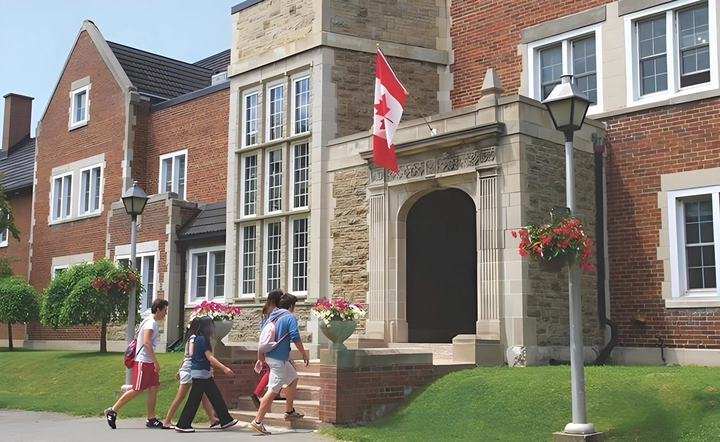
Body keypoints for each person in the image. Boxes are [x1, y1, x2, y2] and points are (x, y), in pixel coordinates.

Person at [250, 292, 309, 436]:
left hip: (275, 357)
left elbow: (262, 338)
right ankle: (257, 421)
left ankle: (289, 411)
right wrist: (303, 353)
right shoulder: (289, 317)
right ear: (291, 306)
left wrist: (261, 357)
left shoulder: (272, 317)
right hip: (277, 359)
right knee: (273, 389)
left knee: (293, 378)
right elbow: (295, 336)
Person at [105, 298, 169, 429]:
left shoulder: (148, 321)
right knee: (137, 389)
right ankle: (113, 410)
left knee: (154, 388)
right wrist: (155, 362)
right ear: (158, 309)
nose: (165, 313)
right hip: (143, 361)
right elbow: (146, 342)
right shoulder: (151, 323)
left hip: (148, 361)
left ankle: (151, 418)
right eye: (164, 310)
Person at [174, 317, 238, 433]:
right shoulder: (203, 340)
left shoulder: (197, 339)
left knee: (215, 396)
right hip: (202, 373)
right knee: (194, 401)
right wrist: (224, 368)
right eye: (211, 325)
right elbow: (210, 357)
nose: (213, 328)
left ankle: (226, 420)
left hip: (201, 373)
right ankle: (183, 424)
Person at [162, 317, 218, 429]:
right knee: (180, 397)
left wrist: (179, 370)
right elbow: (191, 353)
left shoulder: (192, 338)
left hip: (188, 369)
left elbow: (185, 357)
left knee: (203, 395)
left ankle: (212, 419)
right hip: (189, 370)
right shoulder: (194, 338)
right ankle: (167, 421)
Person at [251, 289, 284, 409]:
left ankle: (276, 393)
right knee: (272, 371)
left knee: (273, 370)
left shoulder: (266, 310)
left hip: (265, 341)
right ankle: (256, 393)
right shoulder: (277, 311)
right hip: (272, 343)